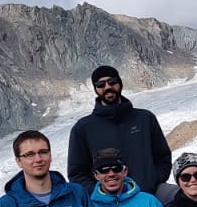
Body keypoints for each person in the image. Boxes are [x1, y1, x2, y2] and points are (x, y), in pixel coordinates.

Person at [67, 65, 173, 196]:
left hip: (148, 197)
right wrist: (102, 194)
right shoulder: (83, 128)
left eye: (112, 82)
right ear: (95, 89)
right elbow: (77, 174)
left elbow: (163, 158)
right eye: (101, 84)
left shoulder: (145, 119)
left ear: (120, 83)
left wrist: (153, 180)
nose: (107, 87)